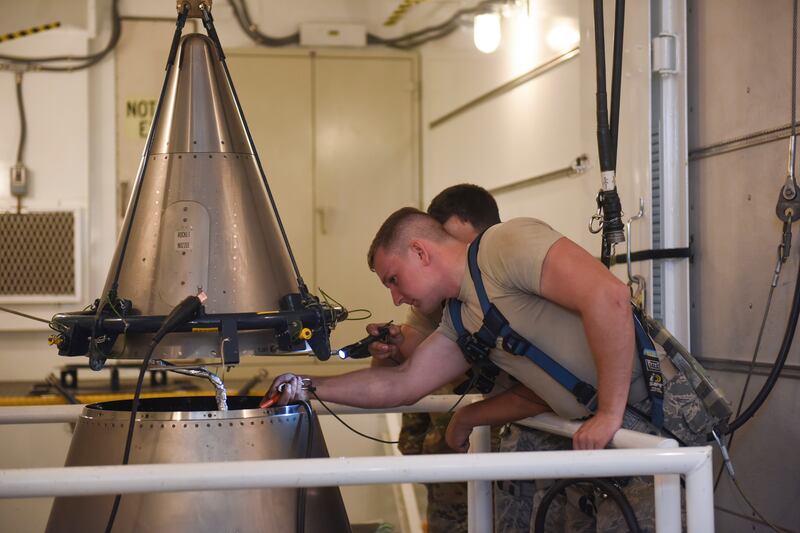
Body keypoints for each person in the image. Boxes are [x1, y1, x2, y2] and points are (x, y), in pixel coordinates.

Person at [266, 209, 714, 532]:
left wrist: (609, 413)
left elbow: (609, 297)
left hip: (655, 414)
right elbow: (402, 384)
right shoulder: (461, 318)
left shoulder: (506, 245)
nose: (395, 299)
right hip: (608, 438)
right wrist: (308, 386)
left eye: (393, 279)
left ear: (420, 251)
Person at [367, 184, 501, 533]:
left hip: (503, 459)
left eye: (463, 247)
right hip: (450, 466)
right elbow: (409, 362)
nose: (455, 258)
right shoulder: (440, 299)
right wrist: (390, 348)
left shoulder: (509, 280)